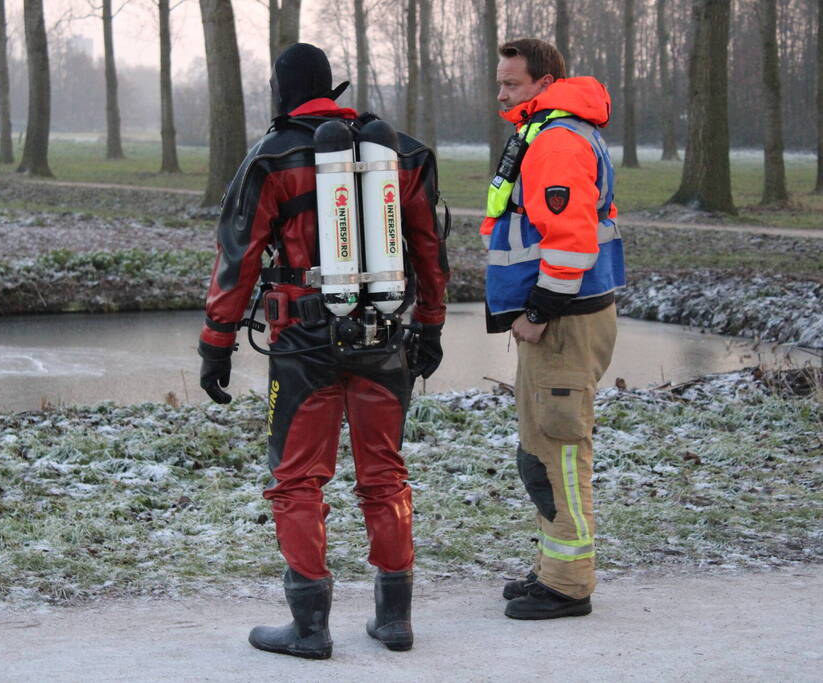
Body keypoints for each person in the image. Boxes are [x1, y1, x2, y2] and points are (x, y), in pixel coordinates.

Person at [197, 43, 448, 659]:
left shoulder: (272, 154)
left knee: (296, 480)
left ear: (281, 92)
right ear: (329, 91)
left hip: (304, 341)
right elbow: (431, 252)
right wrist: (432, 326)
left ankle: (309, 626)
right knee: (385, 474)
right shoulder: (403, 155)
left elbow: (238, 258)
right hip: (386, 334)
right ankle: (395, 620)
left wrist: (216, 345)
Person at [480, 38, 625, 620]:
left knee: (560, 451)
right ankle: (554, 566)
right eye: (500, 82)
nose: (502, 94)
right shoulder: (548, 131)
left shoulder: (558, 140)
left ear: (543, 82)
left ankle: (568, 583)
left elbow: (571, 242)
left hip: (562, 322)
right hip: (563, 319)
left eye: (511, 84)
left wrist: (538, 312)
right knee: (541, 447)